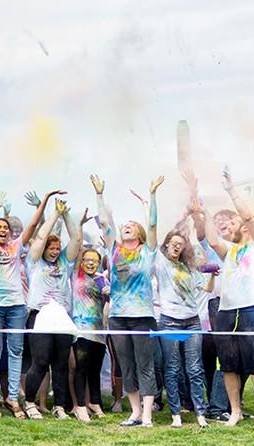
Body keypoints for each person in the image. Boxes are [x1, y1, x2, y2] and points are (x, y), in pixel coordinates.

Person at [190, 167, 254, 430]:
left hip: (252, 310)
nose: (228, 227)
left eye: (232, 224)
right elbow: (211, 238)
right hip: (226, 312)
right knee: (228, 364)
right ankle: (235, 412)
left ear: (244, 226)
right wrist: (204, 211)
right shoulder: (229, 250)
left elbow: (245, 215)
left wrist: (231, 190)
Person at [0, 188, 63, 419]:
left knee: (16, 351)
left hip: (17, 306)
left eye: (6, 228)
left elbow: (34, 226)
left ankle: (13, 398)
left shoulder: (17, 245)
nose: (3, 231)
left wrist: (45, 200)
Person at [92, 174, 162, 427]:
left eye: (132, 225)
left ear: (140, 233)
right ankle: (134, 412)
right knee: (126, 364)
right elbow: (105, 226)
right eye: (125, 225)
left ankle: (147, 415)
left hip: (142, 316)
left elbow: (153, 224)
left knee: (145, 364)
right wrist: (99, 195)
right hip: (119, 316)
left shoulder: (147, 251)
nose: (126, 227)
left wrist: (152, 195)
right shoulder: (115, 250)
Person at [21, 200, 86, 420]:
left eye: (58, 248)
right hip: (39, 314)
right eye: (52, 248)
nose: (55, 252)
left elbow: (77, 239)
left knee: (60, 364)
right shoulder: (34, 261)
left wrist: (66, 215)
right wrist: (54, 216)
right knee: (40, 362)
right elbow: (40, 238)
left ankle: (59, 406)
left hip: (61, 317)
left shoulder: (65, 263)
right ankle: (30, 403)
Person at [154, 228, 213, 428]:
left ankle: (200, 414)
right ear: (167, 244)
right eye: (174, 242)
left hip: (192, 321)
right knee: (172, 368)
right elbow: (153, 232)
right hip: (169, 321)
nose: (177, 246)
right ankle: (176, 414)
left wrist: (213, 275)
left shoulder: (189, 268)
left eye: (181, 244)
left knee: (195, 369)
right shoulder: (161, 263)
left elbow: (208, 288)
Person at [70, 248, 108, 422]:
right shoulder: (76, 276)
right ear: (82, 261)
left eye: (95, 261)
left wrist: (109, 293)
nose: (91, 263)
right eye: (87, 260)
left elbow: (111, 298)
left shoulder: (102, 279)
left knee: (95, 370)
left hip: (99, 331)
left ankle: (94, 402)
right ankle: (80, 406)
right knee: (81, 368)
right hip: (81, 330)